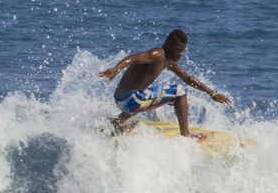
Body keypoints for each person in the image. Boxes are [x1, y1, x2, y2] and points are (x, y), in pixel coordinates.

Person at [98, 29, 232, 136]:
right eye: (178, 50)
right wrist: (116, 69)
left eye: (182, 51)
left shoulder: (169, 61)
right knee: (180, 92)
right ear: (168, 44)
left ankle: (118, 121)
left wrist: (212, 93)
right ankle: (186, 135)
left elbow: (187, 78)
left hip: (121, 99)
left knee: (147, 95)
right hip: (131, 100)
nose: (180, 54)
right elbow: (134, 58)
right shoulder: (158, 54)